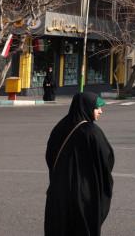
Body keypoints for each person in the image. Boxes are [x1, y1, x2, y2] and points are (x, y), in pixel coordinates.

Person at [44, 92, 115, 236]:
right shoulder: (92, 132)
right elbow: (107, 158)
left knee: (61, 227)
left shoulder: (60, 127)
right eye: (97, 108)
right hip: (83, 194)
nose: (101, 111)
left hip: (58, 191)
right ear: (87, 108)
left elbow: (50, 156)